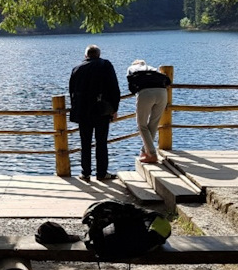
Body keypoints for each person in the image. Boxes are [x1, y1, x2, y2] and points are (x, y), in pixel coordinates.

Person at [68, 43, 120, 182]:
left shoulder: (76, 68)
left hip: (83, 112)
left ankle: (85, 173)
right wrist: (114, 108)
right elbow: (114, 88)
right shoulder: (105, 65)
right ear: (99, 54)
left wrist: (75, 109)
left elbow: (72, 91)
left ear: (86, 55)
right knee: (101, 142)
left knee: (85, 143)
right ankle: (101, 173)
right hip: (101, 110)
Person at [127, 59, 171, 164]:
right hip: (162, 93)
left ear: (134, 64)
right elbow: (168, 81)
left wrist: (137, 92)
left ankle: (152, 154)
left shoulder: (132, 68)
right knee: (153, 124)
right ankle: (145, 152)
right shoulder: (153, 69)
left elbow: (131, 85)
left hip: (146, 93)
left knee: (141, 125)